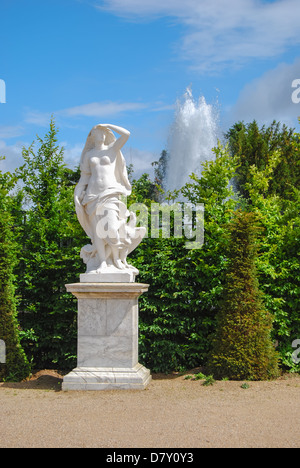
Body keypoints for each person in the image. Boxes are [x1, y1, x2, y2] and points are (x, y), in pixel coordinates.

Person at [75, 124, 145, 274]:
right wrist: (77, 193)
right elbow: (85, 178)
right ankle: (102, 263)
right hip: (92, 196)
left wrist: (108, 125)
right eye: (95, 133)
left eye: (101, 133)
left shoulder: (112, 149)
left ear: (106, 134)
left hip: (111, 193)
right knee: (98, 232)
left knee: (113, 228)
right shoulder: (89, 155)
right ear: (92, 137)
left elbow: (126, 134)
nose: (99, 135)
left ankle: (117, 260)